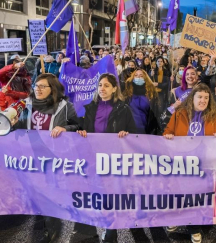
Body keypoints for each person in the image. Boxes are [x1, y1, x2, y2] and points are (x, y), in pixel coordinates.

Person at [11, 73, 80, 242]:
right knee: (37, 191)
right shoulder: (26, 105)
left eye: (43, 86)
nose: (38, 89)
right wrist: (13, 124)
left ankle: (52, 229)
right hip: (31, 157)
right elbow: (21, 126)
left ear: (53, 89)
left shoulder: (64, 106)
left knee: (51, 191)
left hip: (53, 156)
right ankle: (44, 219)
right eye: (36, 86)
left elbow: (78, 125)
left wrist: (66, 129)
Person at [163, 83, 216, 243]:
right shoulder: (179, 114)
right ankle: (178, 219)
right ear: (192, 98)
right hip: (183, 161)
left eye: (206, 98)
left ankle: (194, 228)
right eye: (200, 97)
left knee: (197, 196)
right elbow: (167, 131)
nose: (203, 100)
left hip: (204, 162)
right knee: (180, 194)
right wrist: (169, 136)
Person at [76, 73, 138, 243]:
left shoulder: (123, 109)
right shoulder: (90, 108)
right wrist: (81, 131)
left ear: (114, 88)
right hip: (93, 158)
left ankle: (111, 230)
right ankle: (97, 224)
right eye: (100, 85)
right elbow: (82, 129)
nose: (102, 89)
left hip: (114, 160)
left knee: (111, 196)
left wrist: (127, 134)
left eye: (106, 86)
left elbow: (134, 133)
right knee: (97, 195)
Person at [123, 69, 159, 134]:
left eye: (141, 76)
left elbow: (155, 113)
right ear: (132, 78)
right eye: (136, 75)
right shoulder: (127, 92)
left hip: (146, 130)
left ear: (145, 78)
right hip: (129, 131)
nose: (138, 77)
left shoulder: (151, 93)